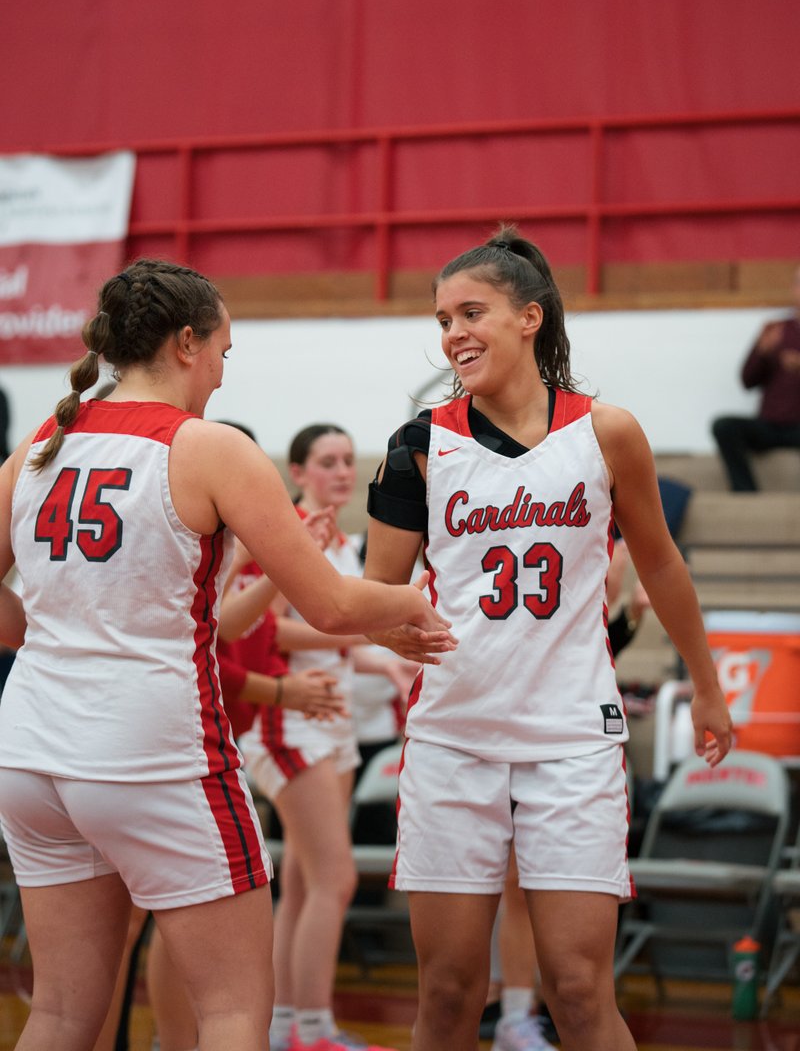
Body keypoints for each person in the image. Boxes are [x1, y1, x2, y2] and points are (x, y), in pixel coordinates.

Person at [0, 258, 452, 1051]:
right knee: (233, 1011)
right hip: (150, 751)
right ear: (185, 343)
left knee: (63, 1013)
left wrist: (58, 632)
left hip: (30, 752)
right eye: (222, 352)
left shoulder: (43, 441)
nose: (219, 372)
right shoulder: (206, 447)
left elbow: (16, 619)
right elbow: (335, 603)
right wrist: (423, 601)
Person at [364, 225, 732, 1051]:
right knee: (451, 995)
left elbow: (664, 568)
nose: (453, 333)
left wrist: (707, 685)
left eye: (471, 312)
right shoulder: (417, 446)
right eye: (441, 320)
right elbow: (376, 594)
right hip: (454, 736)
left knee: (577, 989)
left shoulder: (608, 432)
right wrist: (395, 628)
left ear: (529, 317)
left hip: (572, 736)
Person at [240, 422, 418, 1051]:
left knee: (306, 883)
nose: (342, 471)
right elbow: (265, 632)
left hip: (332, 718)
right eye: (326, 461)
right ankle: (313, 1028)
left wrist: (389, 663)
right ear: (297, 473)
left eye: (348, 460)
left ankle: (287, 1022)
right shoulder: (285, 531)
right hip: (289, 720)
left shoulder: (343, 542)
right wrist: (365, 633)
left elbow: (340, 643)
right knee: (335, 878)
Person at [711, 264, 800, 491]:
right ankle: (746, 494)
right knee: (724, 426)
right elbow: (747, 381)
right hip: (770, 424)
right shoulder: (776, 329)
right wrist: (762, 353)